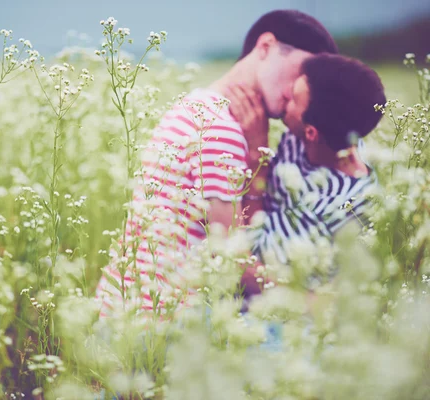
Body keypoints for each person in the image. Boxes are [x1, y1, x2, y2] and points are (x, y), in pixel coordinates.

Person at [95, 10, 339, 318]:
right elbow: (235, 260)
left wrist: (256, 157)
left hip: (131, 312)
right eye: (301, 74)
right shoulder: (218, 129)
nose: (300, 91)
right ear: (265, 47)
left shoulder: (200, 105)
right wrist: (312, 304)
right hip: (158, 327)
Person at [225, 53, 386, 297]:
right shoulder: (306, 138)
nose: (284, 96)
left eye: (293, 99)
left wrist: (258, 157)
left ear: (311, 132)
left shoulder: (348, 206)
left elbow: (259, 268)